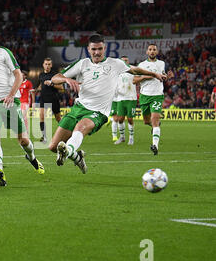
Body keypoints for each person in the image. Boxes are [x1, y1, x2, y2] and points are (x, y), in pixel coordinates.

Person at [46, 34, 167, 173]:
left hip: (98, 112)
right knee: (53, 147)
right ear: (88, 49)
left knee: (80, 128)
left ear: (105, 48)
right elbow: (55, 78)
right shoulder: (82, 64)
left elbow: (135, 69)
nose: (96, 52)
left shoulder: (115, 64)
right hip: (78, 108)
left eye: (99, 49)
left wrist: (154, 74)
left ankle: (69, 150)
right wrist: (66, 80)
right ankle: (76, 156)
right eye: (93, 49)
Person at [0, 26, 44, 187]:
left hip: (9, 102)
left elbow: (18, 75)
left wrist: (11, 94)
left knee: (23, 140)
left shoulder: (4, 53)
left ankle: (31, 157)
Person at [134, 44, 174, 155]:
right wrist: (147, 76)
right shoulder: (142, 65)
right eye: (150, 49)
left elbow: (162, 77)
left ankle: (155, 145)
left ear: (157, 52)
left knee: (154, 119)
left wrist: (167, 77)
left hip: (157, 95)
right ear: (147, 52)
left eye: (154, 50)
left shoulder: (162, 64)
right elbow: (134, 80)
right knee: (147, 121)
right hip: (144, 96)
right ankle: (154, 126)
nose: (152, 51)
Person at [114, 56, 153, 145]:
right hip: (120, 99)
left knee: (130, 119)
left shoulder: (133, 71)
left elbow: (140, 78)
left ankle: (131, 138)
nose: (124, 62)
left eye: (126, 61)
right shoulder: (117, 73)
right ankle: (122, 137)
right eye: (123, 61)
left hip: (131, 99)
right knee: (120, 119)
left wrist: (153, 75)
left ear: (128, 62)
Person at [37, 58, 62, 143]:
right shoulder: (41, 75)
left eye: (49, 64)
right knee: (41, 117)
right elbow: (40, 86)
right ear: (43, 65)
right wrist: (35, 90)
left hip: (53, 99)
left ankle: (66, 133)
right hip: (43, 99)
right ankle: (44, 136)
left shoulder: (55, 75)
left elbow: (61, 88)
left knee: (58, 118)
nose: (47, 66)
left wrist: (52, 84)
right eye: (46, 64)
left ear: (51, 65)